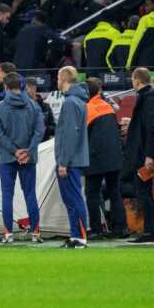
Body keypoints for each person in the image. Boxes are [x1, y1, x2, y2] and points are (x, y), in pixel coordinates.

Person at [0, 64, 44, 244]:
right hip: (29, 157)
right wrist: (27, 150)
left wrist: (14, 151)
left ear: (5, 86)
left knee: (7, 195)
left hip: (7, 157)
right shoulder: (34, 107)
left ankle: (8, 234)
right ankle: (36, 233)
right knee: (30, 194)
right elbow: (39, 131)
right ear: (21, 86)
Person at [123, 68, 154, 244]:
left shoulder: (148, 99)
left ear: (137, 80)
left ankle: (150, 231)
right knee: (146, 191)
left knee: (143, 191)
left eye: (133, 80)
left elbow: (152, 129)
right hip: (147, 153)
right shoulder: (150, 98)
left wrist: (149, 155)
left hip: (145, 156)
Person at [53, 66, 91, 248]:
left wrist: (63, 162)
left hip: (70, 161)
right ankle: (76, 235)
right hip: (73, 159)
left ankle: (80, 236)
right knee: (72, 198)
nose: (57, 81)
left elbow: (69, 134)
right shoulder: (78, 101)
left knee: (74, 198)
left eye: (58, 78)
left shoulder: (70, 103)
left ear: (64, 78)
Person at [83, 79, 125, 239]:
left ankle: (96, 229)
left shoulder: (88, 109)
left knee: (92, 193)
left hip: (96, 158)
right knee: (115, 192)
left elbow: (83, 135)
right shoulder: (107, 106)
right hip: (114, 156)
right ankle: (121, 228)